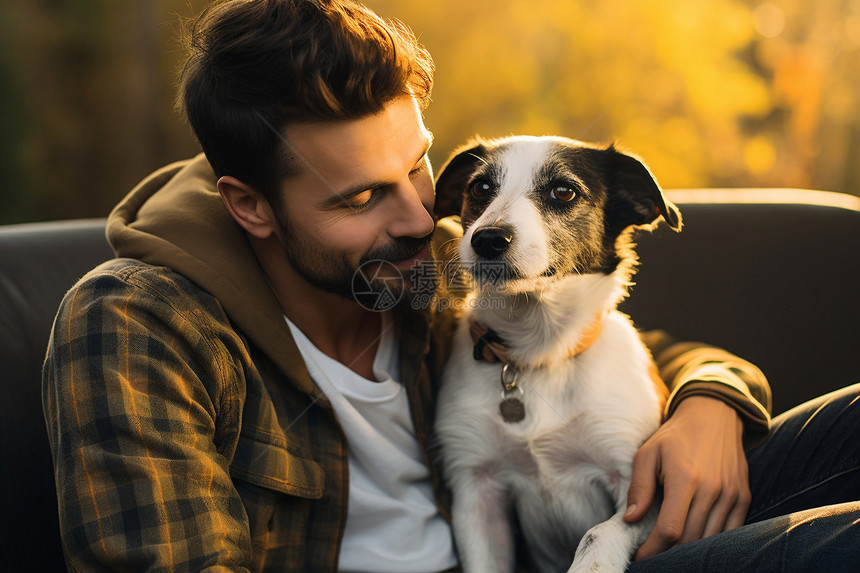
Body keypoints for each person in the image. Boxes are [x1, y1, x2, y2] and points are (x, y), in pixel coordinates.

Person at [41, 0, 859, 571]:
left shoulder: (419, 269)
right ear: (250, 206)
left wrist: (712, 399)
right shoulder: (139, 326)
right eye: (361, 196)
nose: (422, 216)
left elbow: (626, 349)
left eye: (417, 165)